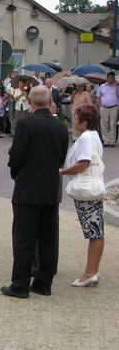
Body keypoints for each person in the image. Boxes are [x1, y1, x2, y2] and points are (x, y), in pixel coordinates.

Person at [0, 86, 69, 298]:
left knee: (24, 238)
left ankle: (20, 284)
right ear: (49, 102)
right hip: (50, 190)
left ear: (30, 101)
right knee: (47, 239)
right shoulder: (61, 128)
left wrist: (17, 174)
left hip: (28, 190)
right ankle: (43, 283)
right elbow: (61, 158)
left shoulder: (25, 124)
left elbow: (16, 157)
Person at [60, 105, 105, 287]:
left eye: (77, 119)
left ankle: (90, 272)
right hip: (92, 188)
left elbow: (84, 163)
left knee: (94, 231)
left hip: (87, 190)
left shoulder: (86, 137)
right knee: (95, 230)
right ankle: (91, 270)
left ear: (85, 122)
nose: (75, 122)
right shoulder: (93, 135)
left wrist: (62, 171)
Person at [96, 72, 119, 147]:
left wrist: (117, 86)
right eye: (110, 77)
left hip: (114, 107)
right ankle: (106, 141)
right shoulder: (102, 86)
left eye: (112, 77)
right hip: (104, 107)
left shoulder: (116, 86)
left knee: (112, 125)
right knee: (104, 124)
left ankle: (112, 142)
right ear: (107, 78)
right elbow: (98, 97)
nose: (111, 79)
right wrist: (99, 106)